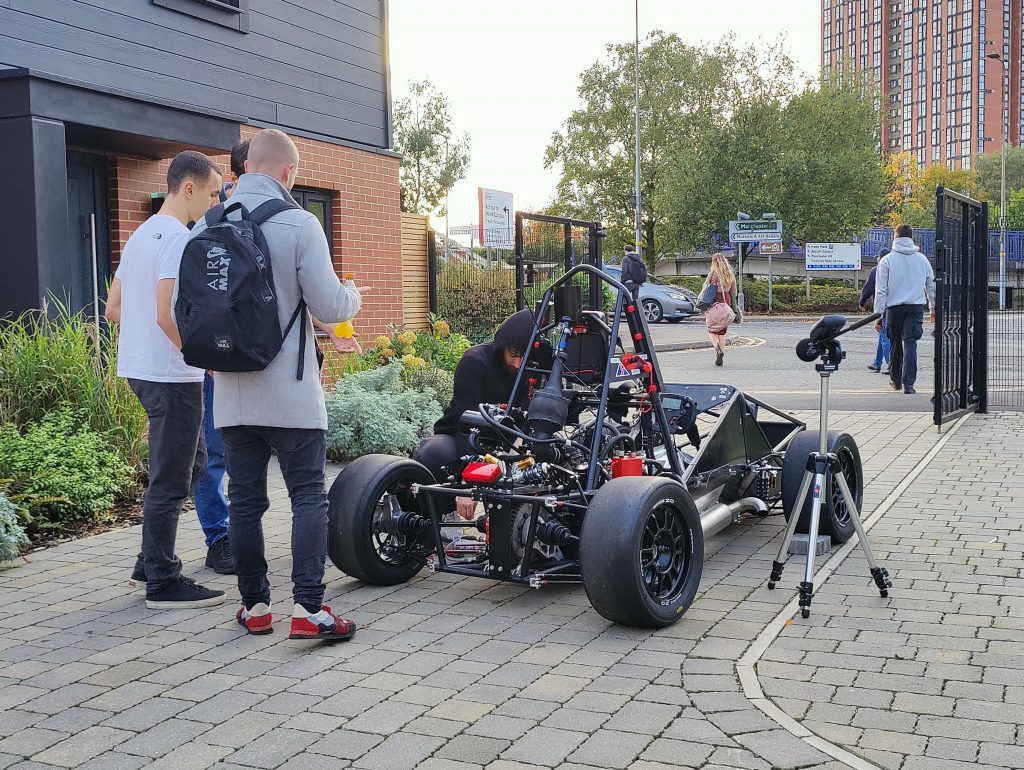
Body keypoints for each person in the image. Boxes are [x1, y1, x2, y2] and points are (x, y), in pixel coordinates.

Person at [187, 129, 365, 639]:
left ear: (246, 170)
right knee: (308, 496)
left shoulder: (207, 226)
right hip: (289, 390)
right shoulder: (299, 223)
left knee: (244, 501)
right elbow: (330, 306)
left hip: (231, 391)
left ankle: (256, 606)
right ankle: (309, 609)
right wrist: (352, 293)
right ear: (288, 173)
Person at [104, 151, 227, 609]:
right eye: (212, 194)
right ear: (189, 188)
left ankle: (147, 559)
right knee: (172, 478)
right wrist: (202, 356)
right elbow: (163, 312)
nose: (215, 204)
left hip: (142, 370)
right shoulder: (178, 237)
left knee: (190, 464)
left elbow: (113, 308)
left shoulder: (139, 236)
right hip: (172, 374)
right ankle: (162, 580)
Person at [415, 309, 541, 520]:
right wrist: (468, 484)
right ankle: (439, 516)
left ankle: (514, 526)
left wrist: (515, 455)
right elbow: (467, 424)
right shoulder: (474, 362)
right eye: (513, 355)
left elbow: (529, 419)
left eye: (524, 357)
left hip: (507, 441)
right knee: (432, 453)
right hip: (461, 436)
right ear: (502, 346)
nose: (518, 363)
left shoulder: (531, 371)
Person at [874, 224, 936, 395]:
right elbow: (931, 285)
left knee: (895, 343)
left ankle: (896, 380)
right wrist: (934, 309)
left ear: (895, 237)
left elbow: (881, 291)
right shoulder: (922, 259)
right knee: (910, 343)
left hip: (893, 309)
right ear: (911, 237)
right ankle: (909, 384)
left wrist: (878, 315)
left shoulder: (887, 261)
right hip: (915, 307)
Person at [859, 247, 891, 374]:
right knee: (883, 335)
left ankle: (891, 364)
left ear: (879, 258)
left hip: (882, 307)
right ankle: (877, 363)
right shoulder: (894, 269)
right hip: (895, 306)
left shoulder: (876, 270)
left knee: (884, 336)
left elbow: (868, 289)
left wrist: (862, 302)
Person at [704, 252, 738, 367]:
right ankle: (721, 354)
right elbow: (734, 292)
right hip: (726, 301)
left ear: (714, 262)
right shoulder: (730, 274)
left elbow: (705, 287)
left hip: (714, 300)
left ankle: (717, 350)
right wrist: (735, 308)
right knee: (722, 330)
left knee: (712, 329)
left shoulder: (713, 273)